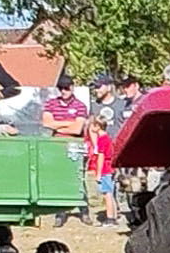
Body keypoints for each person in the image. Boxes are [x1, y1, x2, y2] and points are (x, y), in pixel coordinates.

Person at [42, 75, 90, 225]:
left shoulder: (80, 106)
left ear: (72, 87)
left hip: (75, 143)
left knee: (78, 178)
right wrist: (68, 122)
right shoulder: (51, 104)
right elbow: (46, 123)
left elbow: (77, 129)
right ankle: (60, 213)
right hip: (57, 144)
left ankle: (84, 210)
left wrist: (57, 124)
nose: (64, 91)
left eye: (67, 88)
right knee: (59, 178)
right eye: (61, 88)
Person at [85, 113, 117, 227]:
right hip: (109, 168)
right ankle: (113, 217)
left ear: (97, 126)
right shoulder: (107, 138)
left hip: (105, 169)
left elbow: (101, 157)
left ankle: (110, 219)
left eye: (92, 125)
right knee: (110, 193)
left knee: (107, 194)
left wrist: (98, 173)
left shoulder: (102, 140)